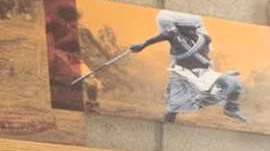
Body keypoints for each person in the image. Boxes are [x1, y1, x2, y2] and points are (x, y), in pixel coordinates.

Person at [99, 13, 250, 124]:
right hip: (181, 74)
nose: (193, 32)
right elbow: (158, 37)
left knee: (233, 84)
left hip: (204, 73)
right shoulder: (172, 35)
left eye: (194, 29)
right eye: (189, 30)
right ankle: (169, 121)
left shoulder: (205, 38)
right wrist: (142, 45)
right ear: (180, 29)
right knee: (175, 107)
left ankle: (230, 109)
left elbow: (204, 52)